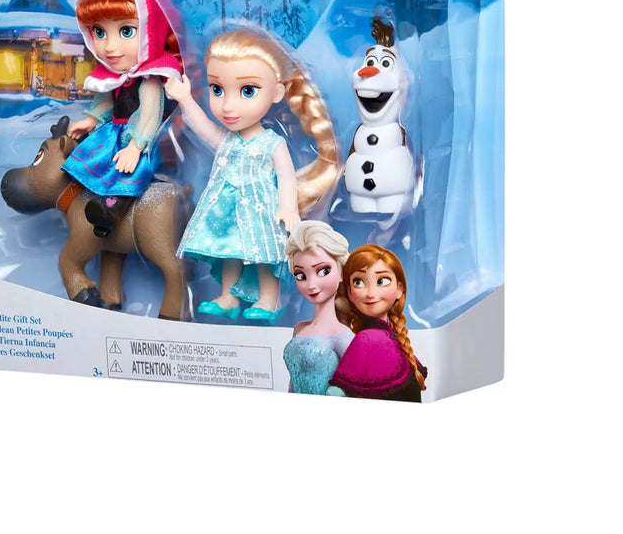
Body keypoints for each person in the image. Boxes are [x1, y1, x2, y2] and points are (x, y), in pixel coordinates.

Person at [164, 29, 340, 321]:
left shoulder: (272, 142)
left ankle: (269, 300)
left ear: (277, 92)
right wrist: (185, 99)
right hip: (226, 211)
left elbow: (286, 176)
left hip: (261, 211)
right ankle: (228, 297)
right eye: (217, 89)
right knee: (228, 252)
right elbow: (203, 128)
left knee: (264, 257)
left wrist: (288, 207)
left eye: (248, 90)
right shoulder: (227, 140)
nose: (228, 105)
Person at [61, 0, 183, 238]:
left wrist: (136, 146)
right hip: (112, 134)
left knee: (127, 173)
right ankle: (82, 202)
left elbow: (150, 115)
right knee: (90, 164)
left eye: (126, 31)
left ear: (151, 30)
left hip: (137, 138)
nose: (110, 47)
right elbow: (107, 101)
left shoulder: (150, 80)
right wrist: (90, 119)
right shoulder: (115, 77)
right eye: (99, 32)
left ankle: (112, 210)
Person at [328, 244, 427, 401]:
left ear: (399, 288)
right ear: (350, 292)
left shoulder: (392, 337)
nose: (371, 294)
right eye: (359, 282)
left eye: (382, 281)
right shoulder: (367, 339)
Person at [282, 221, 354, 394]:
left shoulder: (343, 337)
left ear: (342, 272)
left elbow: (357, 388)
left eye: (323, 271)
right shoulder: (299, 329)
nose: (311, 285)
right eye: (301, 275)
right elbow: (293, 382)